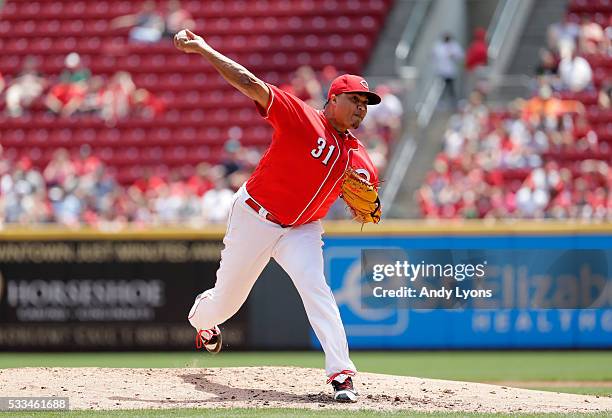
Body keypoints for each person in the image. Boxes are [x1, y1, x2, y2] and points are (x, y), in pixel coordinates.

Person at [174, 28, 382, 402]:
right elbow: (251, 83)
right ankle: (202, 325)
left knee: (316, 288)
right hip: (255, 216)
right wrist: (204, 48)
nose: (361, 108)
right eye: (354, 100)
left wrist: (369, 206)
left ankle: (342, 375)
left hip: (301, 230)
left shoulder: (360, 157)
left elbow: (367, 203)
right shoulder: (301, 117)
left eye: (366, 103)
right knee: (224, 304)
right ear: (333, 100)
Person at [432, 33, 464, 108]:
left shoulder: (454, 45)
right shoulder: (438, 46)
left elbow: (460, 55)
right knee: (440, 88)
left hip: (450, 71)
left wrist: (453, 55)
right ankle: (440, 102)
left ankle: (453, 102)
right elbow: (435, 56)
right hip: (441, 70)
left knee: (451, 88)